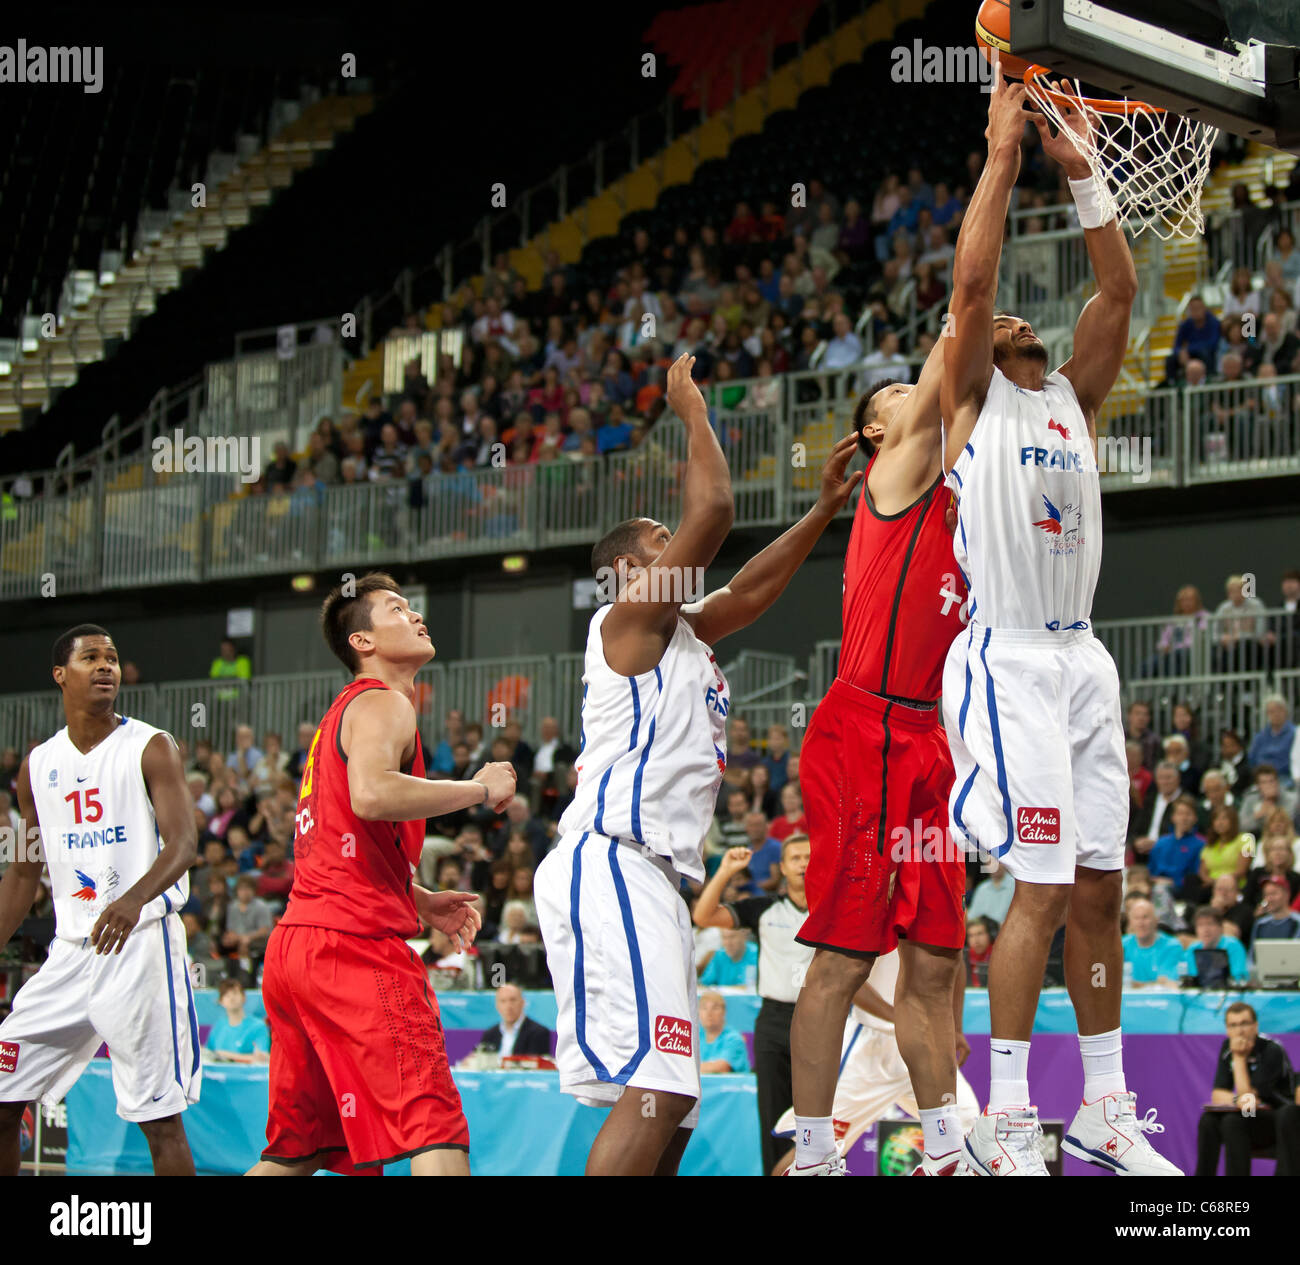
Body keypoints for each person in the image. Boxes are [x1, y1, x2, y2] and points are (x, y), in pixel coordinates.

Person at [532, 354, 863, 1178]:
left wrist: (824, 509)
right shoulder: (626, 620)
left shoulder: (680, 632)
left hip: (653, 879)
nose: (675, 544)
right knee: (659, 1087)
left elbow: (747, 591)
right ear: (630, 571)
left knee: (671, 1095)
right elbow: (713, 509)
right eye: (659, 539)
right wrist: (691, 413)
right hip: (613, 861)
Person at [939, 75, 1178, 1175]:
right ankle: (1006, 1117)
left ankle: (1105, 1105)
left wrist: (1083, 172)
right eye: (997, 325)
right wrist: (1000, 160)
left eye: (1020, 322)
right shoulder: (971, 403)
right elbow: (975, 278)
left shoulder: (1072, 399)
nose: (1011, 319)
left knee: (1098, 886)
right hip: (1008, 654)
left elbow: (1122, 292)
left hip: (1082, 655)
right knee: (1035, 887)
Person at [248, 573, 517, 1177]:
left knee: (298, 1152)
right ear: (363, 642)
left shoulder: (342, 716)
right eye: (397, 609)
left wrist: (416, 898)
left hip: (297, 948)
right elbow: (372, 796)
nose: (416, 615)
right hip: (352, 950)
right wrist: (481, 786)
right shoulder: (382, 702)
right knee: (433, 1129)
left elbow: (339, 838)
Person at [789, 326, 972, 1175]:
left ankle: (945, 1149)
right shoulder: (891, 468)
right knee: (846, 952)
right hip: (864, 732)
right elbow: (949, 373)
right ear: (872, 432)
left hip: (931, 740)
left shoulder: (965, 493)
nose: (908, 396)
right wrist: (963, 327)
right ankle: (817, 1152)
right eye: (889, 396)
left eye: (911, 387)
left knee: (934, 956)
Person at [0, 624, 200, 1176]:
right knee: (2, 1094)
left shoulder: (151, 745)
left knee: (159, 1119)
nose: (107, 666)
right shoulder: (35, 767)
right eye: (91, 658)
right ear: (61, 675)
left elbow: (184, 845)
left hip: (139, 947)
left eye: (112, 658)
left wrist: (133, 899)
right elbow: (22, 870)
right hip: (70, 951)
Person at [772, 948, 980, 1174]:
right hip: (869, 1048)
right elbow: (846, 977)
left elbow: (954, 960)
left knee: (967, 1131)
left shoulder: (950, 913)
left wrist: (956, 1027)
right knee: (813, 1154)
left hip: (923, 1041)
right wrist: (899, 1017)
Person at [694, 839, 814, 1176]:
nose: (803, 863)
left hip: (822, 1021)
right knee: (774, 1117)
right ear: (783, 867)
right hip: (773, 1022)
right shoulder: (764, 907)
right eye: (795, 858)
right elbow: (703, 914)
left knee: (819, 1115)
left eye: (808, 857)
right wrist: (726, 871)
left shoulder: (833, 907)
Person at [1195, 1002, 1299, 1176]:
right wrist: (1238, 1100)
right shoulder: (1227, 1047)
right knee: (1208, 1120)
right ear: (1227, 1030)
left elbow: (1248, 1100)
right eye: (1233, 1025)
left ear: (1255, 1026)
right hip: (1250, 1117)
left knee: (1232, 1121)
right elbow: (1218, 1094)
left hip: (1279, 1121)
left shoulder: (1272, 1050)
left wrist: (1239, 1058)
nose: (1239, 1031)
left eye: (1244, 1023)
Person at [1120, 897, 1183, 986]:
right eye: (1136, 918)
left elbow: (1167, 984)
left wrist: (1137, 986)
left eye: (1145, 917)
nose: (1140, 923)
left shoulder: (1172, 946)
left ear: (1156, 920)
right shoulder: (1122, 945)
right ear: (1130, 921)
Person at [205, 978, 271, 1064]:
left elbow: (262, 1058)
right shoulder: (219, 1026)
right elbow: (208, 1054)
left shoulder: (258, 1026)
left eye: (235, 993)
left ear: (243, 997)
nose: (231, 998)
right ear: (221, 1001)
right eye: (227, 995)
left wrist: (226, 1055)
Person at [477, 983, 551, 1057]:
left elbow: (534, 1063)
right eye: (503, 1001)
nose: (508, 1006)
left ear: (523, 1003)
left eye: (512, 1000)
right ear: (497, 1006)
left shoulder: (538, 1032)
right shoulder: (490, 1034)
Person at [1183, 906, 1250, 983]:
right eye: (1200, 925)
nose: (1206, 930)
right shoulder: (1192, 949)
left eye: (1210, 924)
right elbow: (1187, 978)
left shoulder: (1233, 946)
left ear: (1221, 928)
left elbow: (1239, 978)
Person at [698, 992, 751, 1073]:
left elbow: (721, 1068)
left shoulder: (735, 1039)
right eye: (704, 1008)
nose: (709, 1013)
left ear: (724, 1012)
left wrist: (688, 1069)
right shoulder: (695, 1037)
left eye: (715, 1008)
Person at [968, 858, 1015, 926]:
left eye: (997, 862)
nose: (994, 866)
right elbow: (972, 917)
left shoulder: (1015, 886)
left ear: (1005, 863)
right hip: (984, 933)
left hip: (1007, 931)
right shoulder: (982, 888)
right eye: (990, 862)